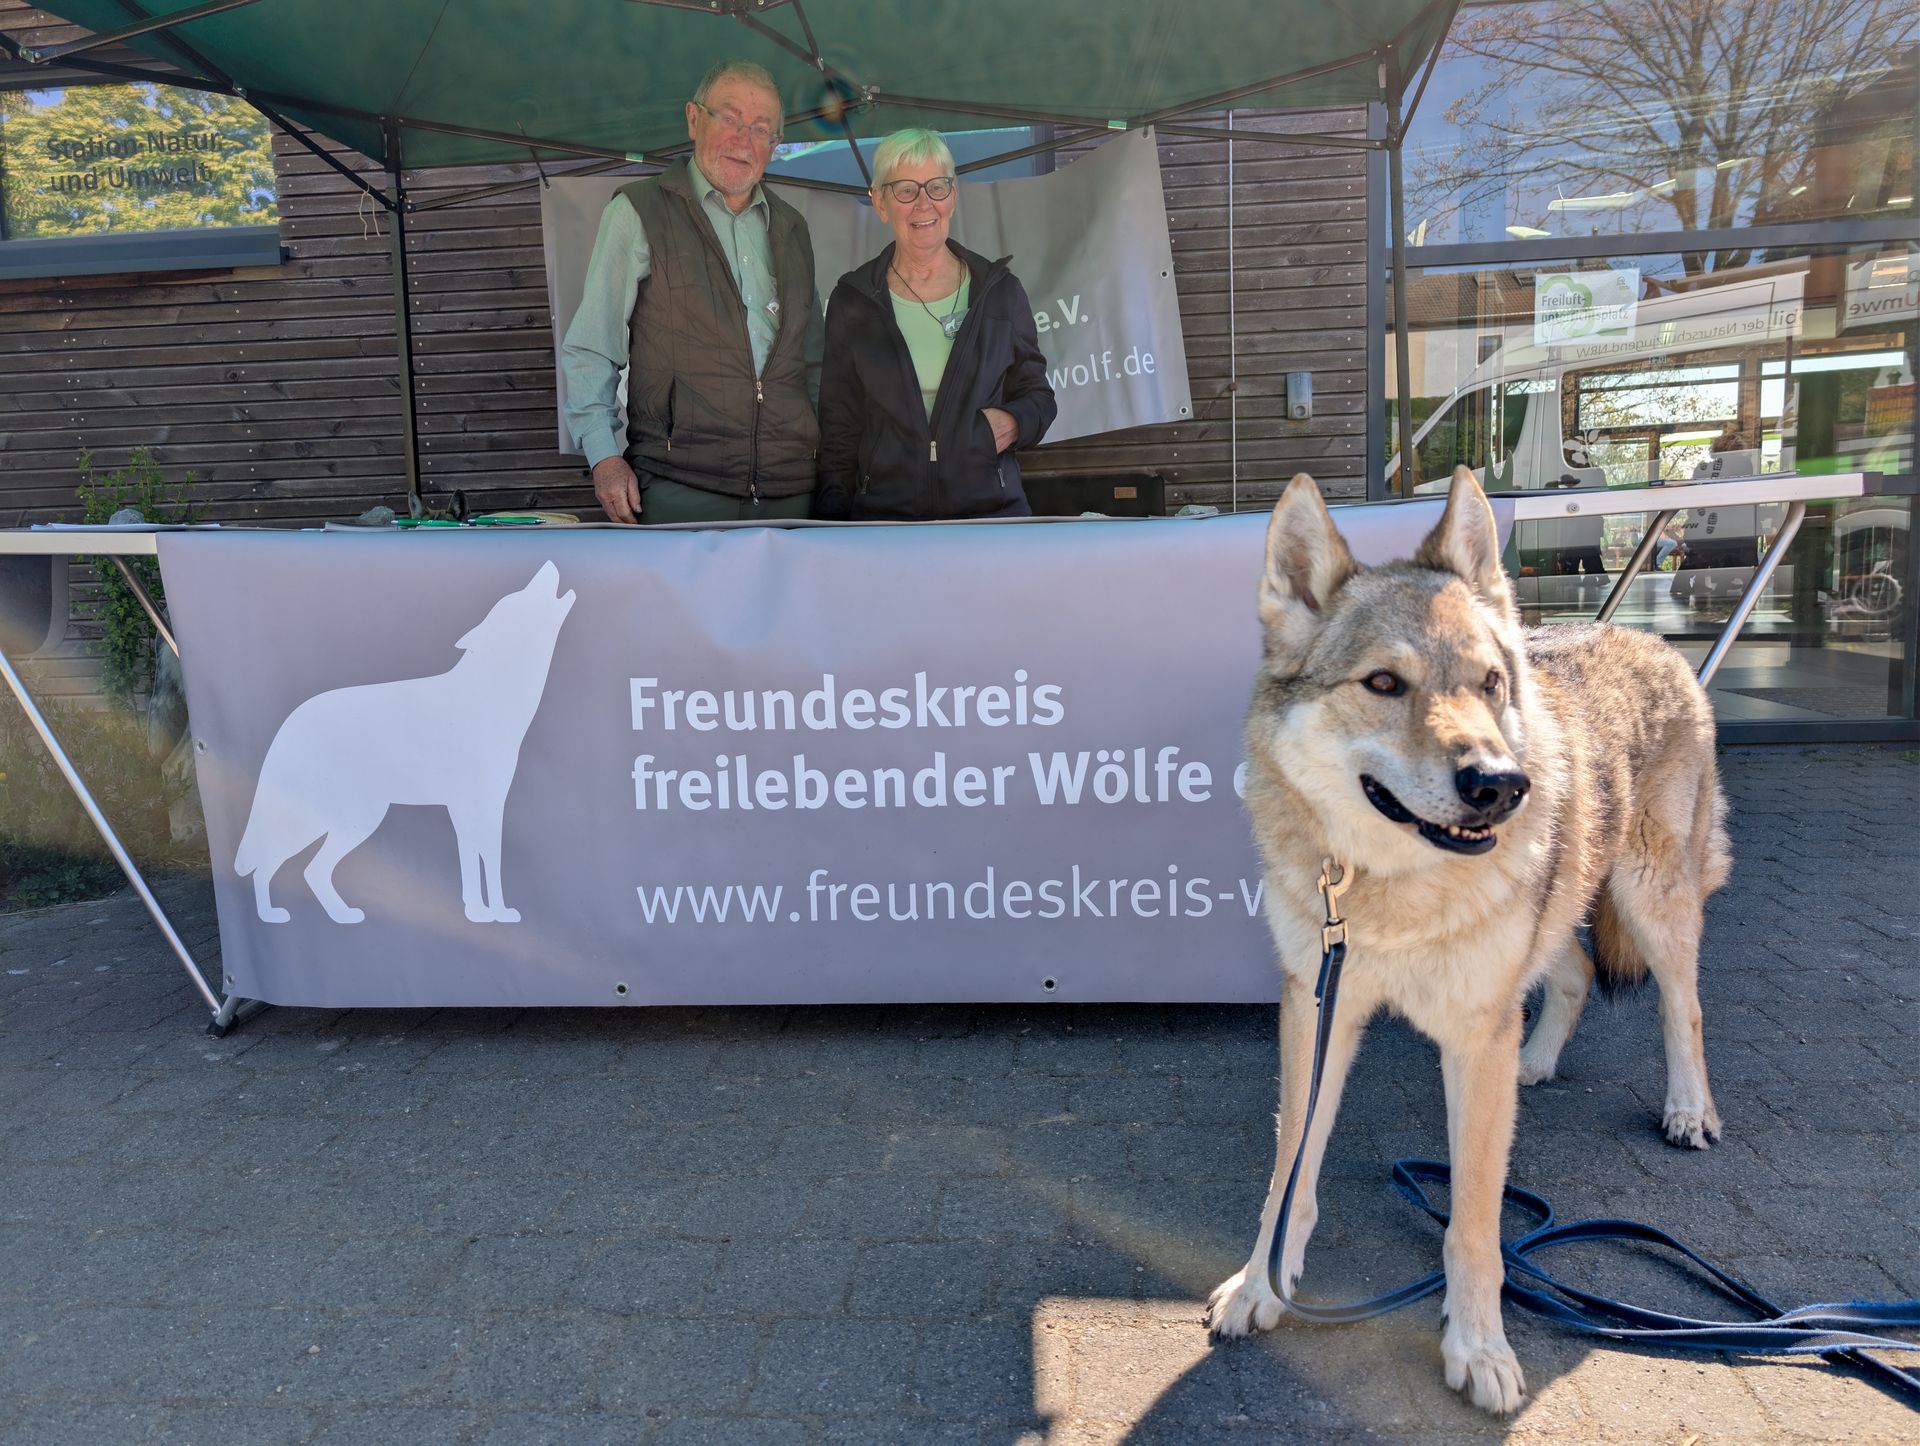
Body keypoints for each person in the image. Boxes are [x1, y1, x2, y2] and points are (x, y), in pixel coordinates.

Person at [561, 61, 822, 524]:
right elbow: (592, 347)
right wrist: (604, 456)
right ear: (693, 118)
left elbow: (814, 363)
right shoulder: (637, 211)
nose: (743, 139)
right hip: (679, 484)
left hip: (791, 488)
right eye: (729, 118)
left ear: (774, 145)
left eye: (761, 129)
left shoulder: (792, 227)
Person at [815, 129, 1056, 520]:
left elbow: (1039, 396)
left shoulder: (999, 293)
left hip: (989, 516)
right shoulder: (853, 299)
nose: (924, 204)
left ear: (953, 195)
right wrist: (831, 526)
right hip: (886, 522)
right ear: (880, 203)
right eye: (906, 190)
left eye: (937, 187)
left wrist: (1016, 421)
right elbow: (839, 428)